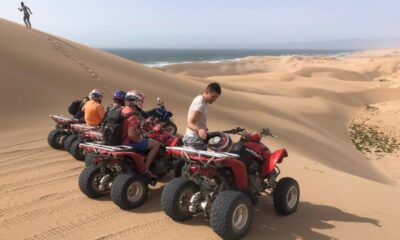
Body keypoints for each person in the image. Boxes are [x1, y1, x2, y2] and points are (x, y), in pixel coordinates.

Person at [122, 90, 160, 176]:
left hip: (119, 139)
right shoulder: (132, 115)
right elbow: (131, 135)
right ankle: (145, 169)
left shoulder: (123, 110)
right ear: (136, 101)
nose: (141, 102)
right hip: (127, 142)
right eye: (141, 100)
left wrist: (141, 129)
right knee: (156, 145)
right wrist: (140, 139)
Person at [183, 82, 221, 150]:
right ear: (206, 92)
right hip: (194, 139)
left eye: (216, 98)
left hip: (194, 138)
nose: (214, 99)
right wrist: (199, 130)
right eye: (213, 97)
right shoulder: (200, 104)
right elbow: (190, 123)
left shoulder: (202, 100)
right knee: (204, 159)